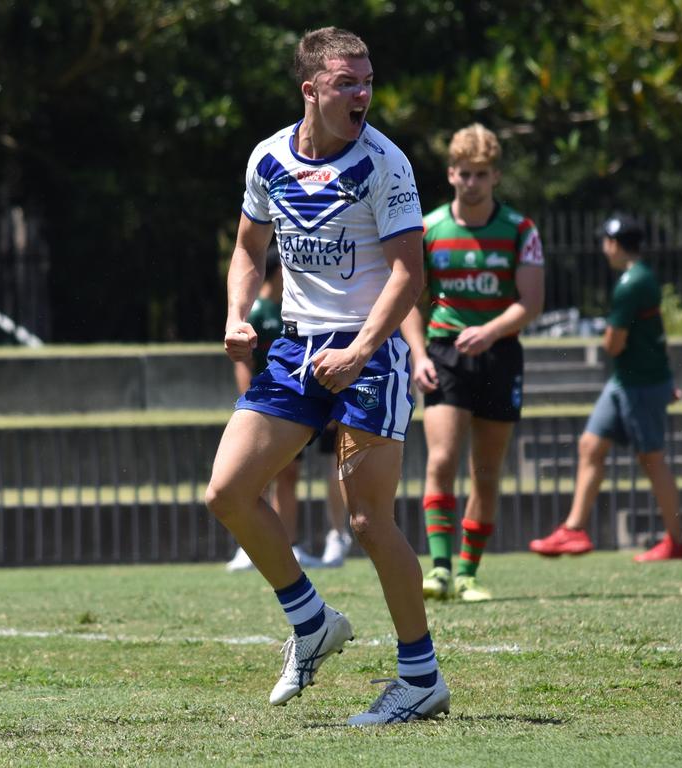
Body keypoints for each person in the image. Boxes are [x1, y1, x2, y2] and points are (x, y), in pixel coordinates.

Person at [204, 26, 449, 726]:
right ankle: (311, 622)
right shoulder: (268, 158)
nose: (362, 92)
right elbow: (248, 249)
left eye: (367, 79)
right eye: (347, 82)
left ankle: (420, 678)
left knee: (370, 520)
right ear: (310, 89)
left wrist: (361, 352)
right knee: (227, 491)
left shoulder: (385, 164)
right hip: (296, 350)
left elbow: (409, 274)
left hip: (369, 353)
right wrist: (236, 314)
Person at [400, 124, 544, 602]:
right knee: (441, 459)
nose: (472, 183)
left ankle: (469, 572)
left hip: (499, 354)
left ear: (496, 176)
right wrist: (418, 355)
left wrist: (492, 330)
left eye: (481, 174)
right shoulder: (428, 228)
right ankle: (439, 569)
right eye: (464, 173)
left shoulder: (520, 231)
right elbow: (408, 302)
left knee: (486, 469)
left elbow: (531, 302)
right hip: (445, 353)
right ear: (450, 174)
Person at [529, 214, 682, 562]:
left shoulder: (630, 284)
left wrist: (610, 340)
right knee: (590, 444)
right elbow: (657, 334)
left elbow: (613, 344)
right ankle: (573, 530)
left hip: (639, 384)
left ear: (615, 244)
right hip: (625, 381)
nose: (604, 249)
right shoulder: (642, 278)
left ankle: (677, 542)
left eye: (606, 242)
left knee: (651, 459)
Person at [226, 251, 353, 572]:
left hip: (293, 403)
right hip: (271, 403)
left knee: (288, 475)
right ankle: (250, 548)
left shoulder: (290, 311)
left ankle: (289, 543)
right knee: (258, 475)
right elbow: (244, 367)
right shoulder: (257, 311)